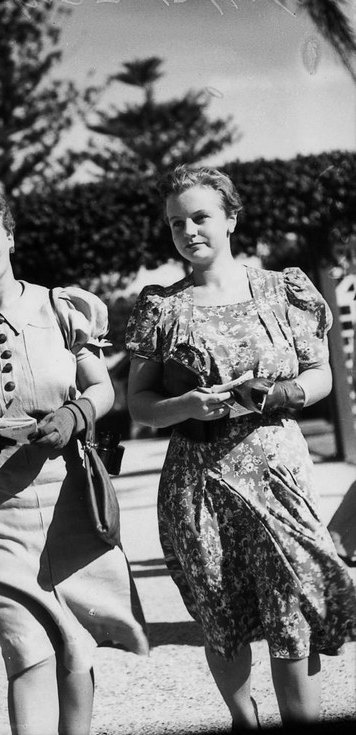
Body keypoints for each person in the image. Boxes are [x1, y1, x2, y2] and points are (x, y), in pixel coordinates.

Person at [126, 164, 356, 730]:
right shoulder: (160, 307)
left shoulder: (284, 291)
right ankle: (243, 720)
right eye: (177, 223)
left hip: (277, 475)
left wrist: (281, 391)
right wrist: (185, 407)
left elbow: (321, 374)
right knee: (221, 614)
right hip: (198, 484)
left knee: (294, 611)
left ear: (231, 218)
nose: (189, 231)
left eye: (201, 217)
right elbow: (138, 404)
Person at [0, 184, 148, 735]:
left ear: (10, 236)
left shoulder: (63, 309)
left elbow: (102, 389)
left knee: (73, 640)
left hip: (70, 495)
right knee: (24, 647)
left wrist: (75, 416)